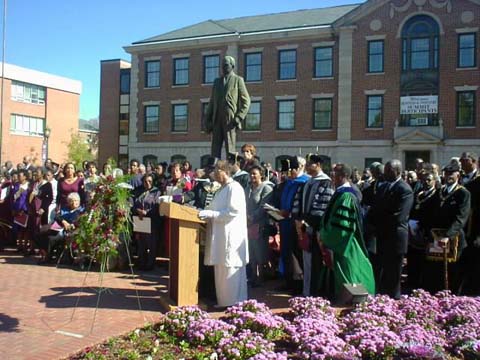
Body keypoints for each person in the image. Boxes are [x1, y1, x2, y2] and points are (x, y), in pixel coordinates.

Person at [319, 163, 375, 299]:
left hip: (346, 244)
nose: (332, 177)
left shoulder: (347, 196)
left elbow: (343, 226)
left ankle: (352, 300)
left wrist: (325, 236)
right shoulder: (340, 193)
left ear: (343, 176)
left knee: (350, 271)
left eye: (334, 174)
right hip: (341, 242)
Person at [199, 160, 249, 308]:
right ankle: (224, 301)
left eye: (217, 171)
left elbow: (233, 212)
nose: (214, 174)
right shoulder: (222, 189)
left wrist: (212, 214)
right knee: (221, 270)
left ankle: (233, 302)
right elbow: (214, 207)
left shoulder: (235, 188)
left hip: (230, 237)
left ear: (225, 172)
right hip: (220, 236)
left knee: (229, 269)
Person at [291, 153, 334, 297]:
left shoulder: (326, 182)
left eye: (311, 164)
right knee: (306, 262)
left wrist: (308, 221)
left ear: (319, 165)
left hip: (316, 229)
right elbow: (297, 202)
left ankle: (315, 294)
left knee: (316, 263)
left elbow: (322, 207)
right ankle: (307, 292)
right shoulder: (307, 182)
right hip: (304, 229)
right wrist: (297, 219)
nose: (308, 167)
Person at [374, 159, 413, 299]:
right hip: (382, 235)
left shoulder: (405, 189)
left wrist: (379, 222)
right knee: (381, 271)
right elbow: (376, 208)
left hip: (395, 237)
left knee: (394, 273)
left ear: (397, 171)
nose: (385, 173)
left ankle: (395, 300)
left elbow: (399, 216)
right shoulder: (383, 187)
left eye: (388, 170)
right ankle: (381, 298)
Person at [204, 56, 251, 158]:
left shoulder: (238, 80)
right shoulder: (217, 82)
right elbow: (212, 102)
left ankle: (231, 168)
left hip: (230, 119)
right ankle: (214, 168)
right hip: (217, 119)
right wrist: (207, 119)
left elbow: (246, 101)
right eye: (222, 66)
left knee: (230, 148)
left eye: (226, 65)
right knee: (215, 148)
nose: (224, 68)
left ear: (232, 66)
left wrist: (239, 117)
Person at [245, 165, 273, 287]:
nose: (252, 176)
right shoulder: (247, 189)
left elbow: (264, 207)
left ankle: (261, 277)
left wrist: (252, 217)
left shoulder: (266, 188)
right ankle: (253, 276)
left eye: (254, 174)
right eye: (250, 174)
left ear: (261, 174)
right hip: (247, 225)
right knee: (251, 252)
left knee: (260, 252)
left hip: (260, 225)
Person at [132, 174, 161, 270]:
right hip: (140, 220)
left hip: (151, 220)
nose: (147, 183)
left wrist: (146, 212)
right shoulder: (139, 191)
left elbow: (157, 206)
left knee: (151, 243)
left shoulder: (156, 192)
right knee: (141, 242)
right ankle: (142, 262)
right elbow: (133, 203)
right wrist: (137, 211)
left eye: (150, 181)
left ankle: (150, 264)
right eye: (145, 181)